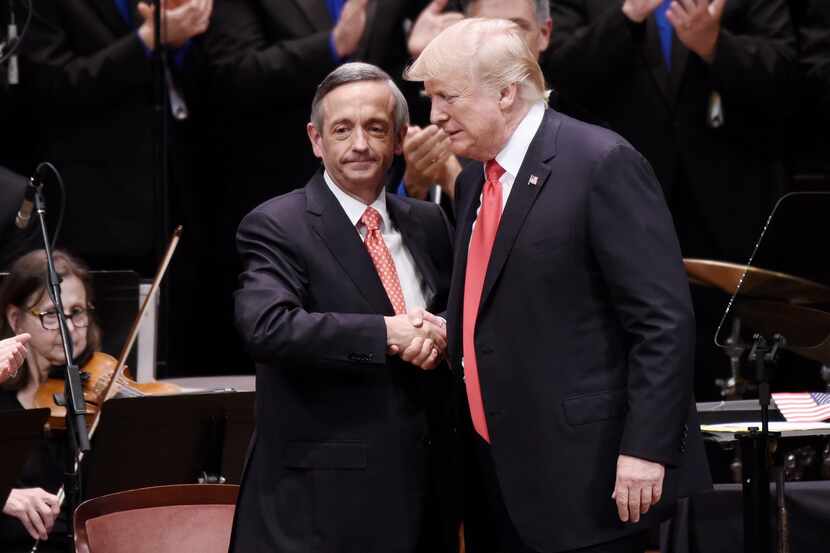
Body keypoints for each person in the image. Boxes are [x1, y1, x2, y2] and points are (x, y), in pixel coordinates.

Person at [405, 19, 710, 553]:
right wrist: (455, 327)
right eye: (431, 99)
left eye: (448, 97)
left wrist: (647, 449)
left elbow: (663, 321)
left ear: (505, 91)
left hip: (590, 477)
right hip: (493, 473)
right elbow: (518, 297)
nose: (435, 116)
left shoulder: (600, 162)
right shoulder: (476, 176)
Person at [230, 62, 456, 553]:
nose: (359, 144)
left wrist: (438, 335)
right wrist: (388, 334)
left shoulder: (430, 221)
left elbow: (461, 312)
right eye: (342, 129)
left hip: (426, 496)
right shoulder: (277, 224)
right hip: (319, 509)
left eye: (375, 128)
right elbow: (267, 327)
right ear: (316, 139)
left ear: (398, 138)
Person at [0, 249, 102, 552]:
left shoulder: (97, 403)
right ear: (15, 318)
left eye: (77, 312)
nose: (69, 328)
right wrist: (4, 495)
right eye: (51, 315)